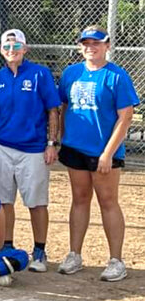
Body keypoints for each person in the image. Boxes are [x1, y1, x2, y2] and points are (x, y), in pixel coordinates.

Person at [56, 26, 139, 282]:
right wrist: (61, 139)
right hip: (75, 148)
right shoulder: (71, 72)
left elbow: (125, 117)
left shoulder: (116, 76)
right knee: (79, 199)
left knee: (108, 201)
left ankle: (116, 260)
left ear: (107, 46)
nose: (91, 47)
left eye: (97, 43)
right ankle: (75, 254)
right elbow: (64, 107)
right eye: (86, 43)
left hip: (104, 152)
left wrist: (108, 153)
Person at [0, 29, 60, 272]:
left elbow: (53, 110)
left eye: (17, 47)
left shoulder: (40, 74)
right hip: (2, 147)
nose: (11, 50)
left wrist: (51, 143)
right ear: (1, 50)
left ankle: (39, 250)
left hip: (33, 148)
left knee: (36, 202)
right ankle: (6, 247)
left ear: (25, 49)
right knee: (2, 201)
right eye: (7, 46)